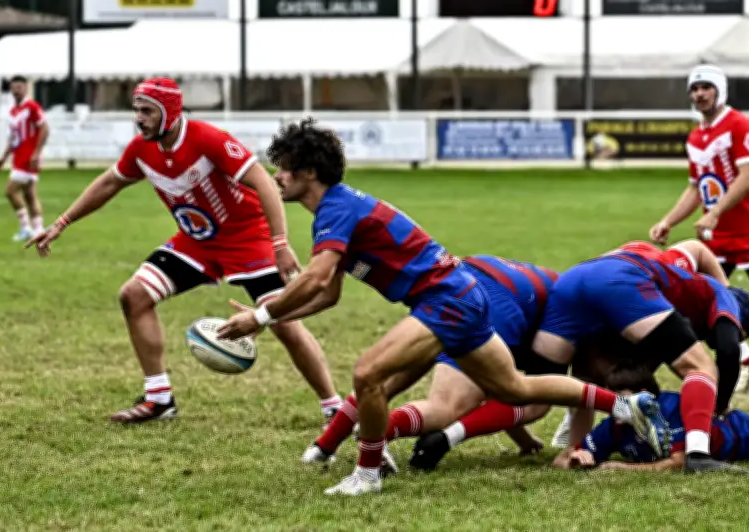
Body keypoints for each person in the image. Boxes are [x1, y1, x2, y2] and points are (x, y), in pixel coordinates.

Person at [216, 118, 671, 496]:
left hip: (445, 299)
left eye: (285, 169)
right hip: (460, 295)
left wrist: (260, 315)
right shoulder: (335, 210)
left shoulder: (336, 209)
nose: (277, 177)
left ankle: (368, 473)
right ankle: (629, 408)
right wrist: (271, 317)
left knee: (368, 374)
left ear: (309, 172)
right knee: (515, 389)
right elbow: (328, 292)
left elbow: (314, 279)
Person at [26, 78, 341, 425]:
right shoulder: (141, 150)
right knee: (133, 295)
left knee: (284, 322)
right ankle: (159, 399)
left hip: (248, 239)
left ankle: (333, 408)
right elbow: (109, 182)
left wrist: (279, 243)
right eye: (137, 110)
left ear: (170, 112)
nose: (139, 118)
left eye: (147, 111)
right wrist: (62, 222)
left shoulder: (208, 139)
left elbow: (264, 181)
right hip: (196, 243)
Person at [300, 255, 559, 470]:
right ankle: (383, 432)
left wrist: (523, 440)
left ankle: (323, 447)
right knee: (532, 402)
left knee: (385, 379)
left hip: (456, 282)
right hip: (496, 302)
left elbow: (497, 387)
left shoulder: (556, 282)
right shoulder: (574, 310)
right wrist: (580, 445)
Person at [531, 247, 749, 473]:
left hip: (572, 279)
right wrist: (720, 405)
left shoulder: (672, 278)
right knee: (700, 366)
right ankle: (698, 454)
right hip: (620, 280)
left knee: (534, 391)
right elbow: (728, 351)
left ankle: (575, 451)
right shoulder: (724, 295)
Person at [649, 64, 749, 390]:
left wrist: (715, 211)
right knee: (700, 304)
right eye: (695, 88)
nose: (699, 94)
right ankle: (747, 360)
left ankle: (746, 360)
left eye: (706, 87)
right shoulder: (696, 136)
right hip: (716, 237)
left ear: (720, 89)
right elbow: (694, 187)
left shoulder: (738, 124)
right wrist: (668, 221)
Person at [554, 363, 749, 472]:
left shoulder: (671, 409)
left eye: (621, 399)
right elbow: (561, 459)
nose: (614, 406)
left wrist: (622, 468)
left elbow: (680, 462)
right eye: (609, 399)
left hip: (748, 435)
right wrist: (575, 459)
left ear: (645, 396)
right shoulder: (615, 425)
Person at [0, 75, 49, 242]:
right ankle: (38, 229)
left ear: (26, 88)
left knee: (10, 191)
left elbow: (45, 128)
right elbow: (13, 138)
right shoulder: (13, 111)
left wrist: (36, 152)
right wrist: (4, 157)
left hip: (28, 158)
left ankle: (26, 227)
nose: (16, 90)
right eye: (13, 87)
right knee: (30, 195)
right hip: (18, 157)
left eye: (19, 87)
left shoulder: (31, 107)